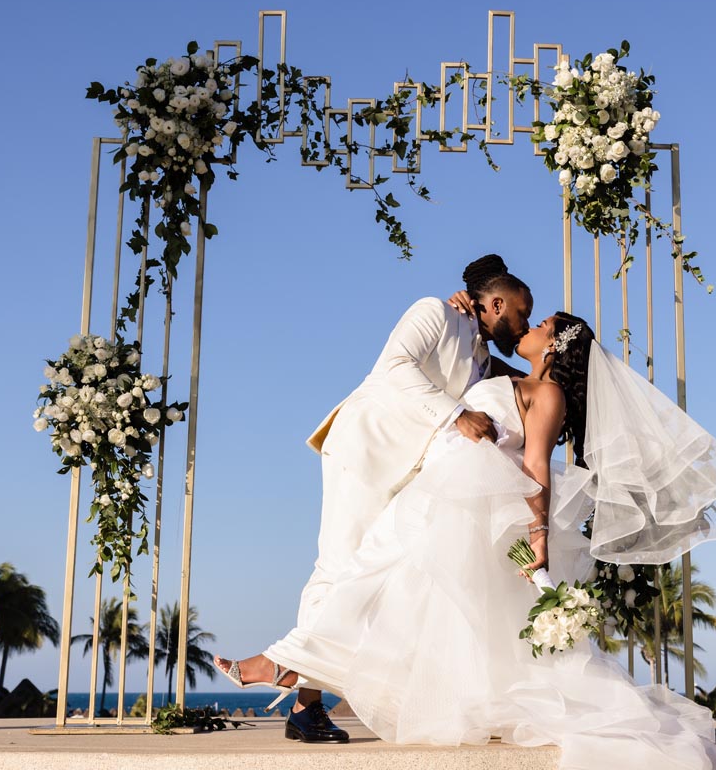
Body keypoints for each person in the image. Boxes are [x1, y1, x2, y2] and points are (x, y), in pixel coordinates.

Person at [219, 310, 716, 769]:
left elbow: (535, 466)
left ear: (553, 344)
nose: (527, 325)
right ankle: (292, 667)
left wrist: (539, 536)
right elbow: (460, 369)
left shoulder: (549, 394)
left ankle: (284, 666)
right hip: (436, 492)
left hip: (461, 504)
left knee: (385, 587)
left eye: (540, 322)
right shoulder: (511, 373)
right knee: (378, 585)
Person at [214, 255, 533, 743]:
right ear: (494, 303)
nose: (524, 322)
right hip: (364, 451)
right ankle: (292, 686)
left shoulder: (486, 361)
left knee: (372, 576)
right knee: (339, 567)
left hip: (406, 475)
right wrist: (456, 415)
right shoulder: (436, 312)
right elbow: (394, 367)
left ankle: (303, 701)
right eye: (520, 312)